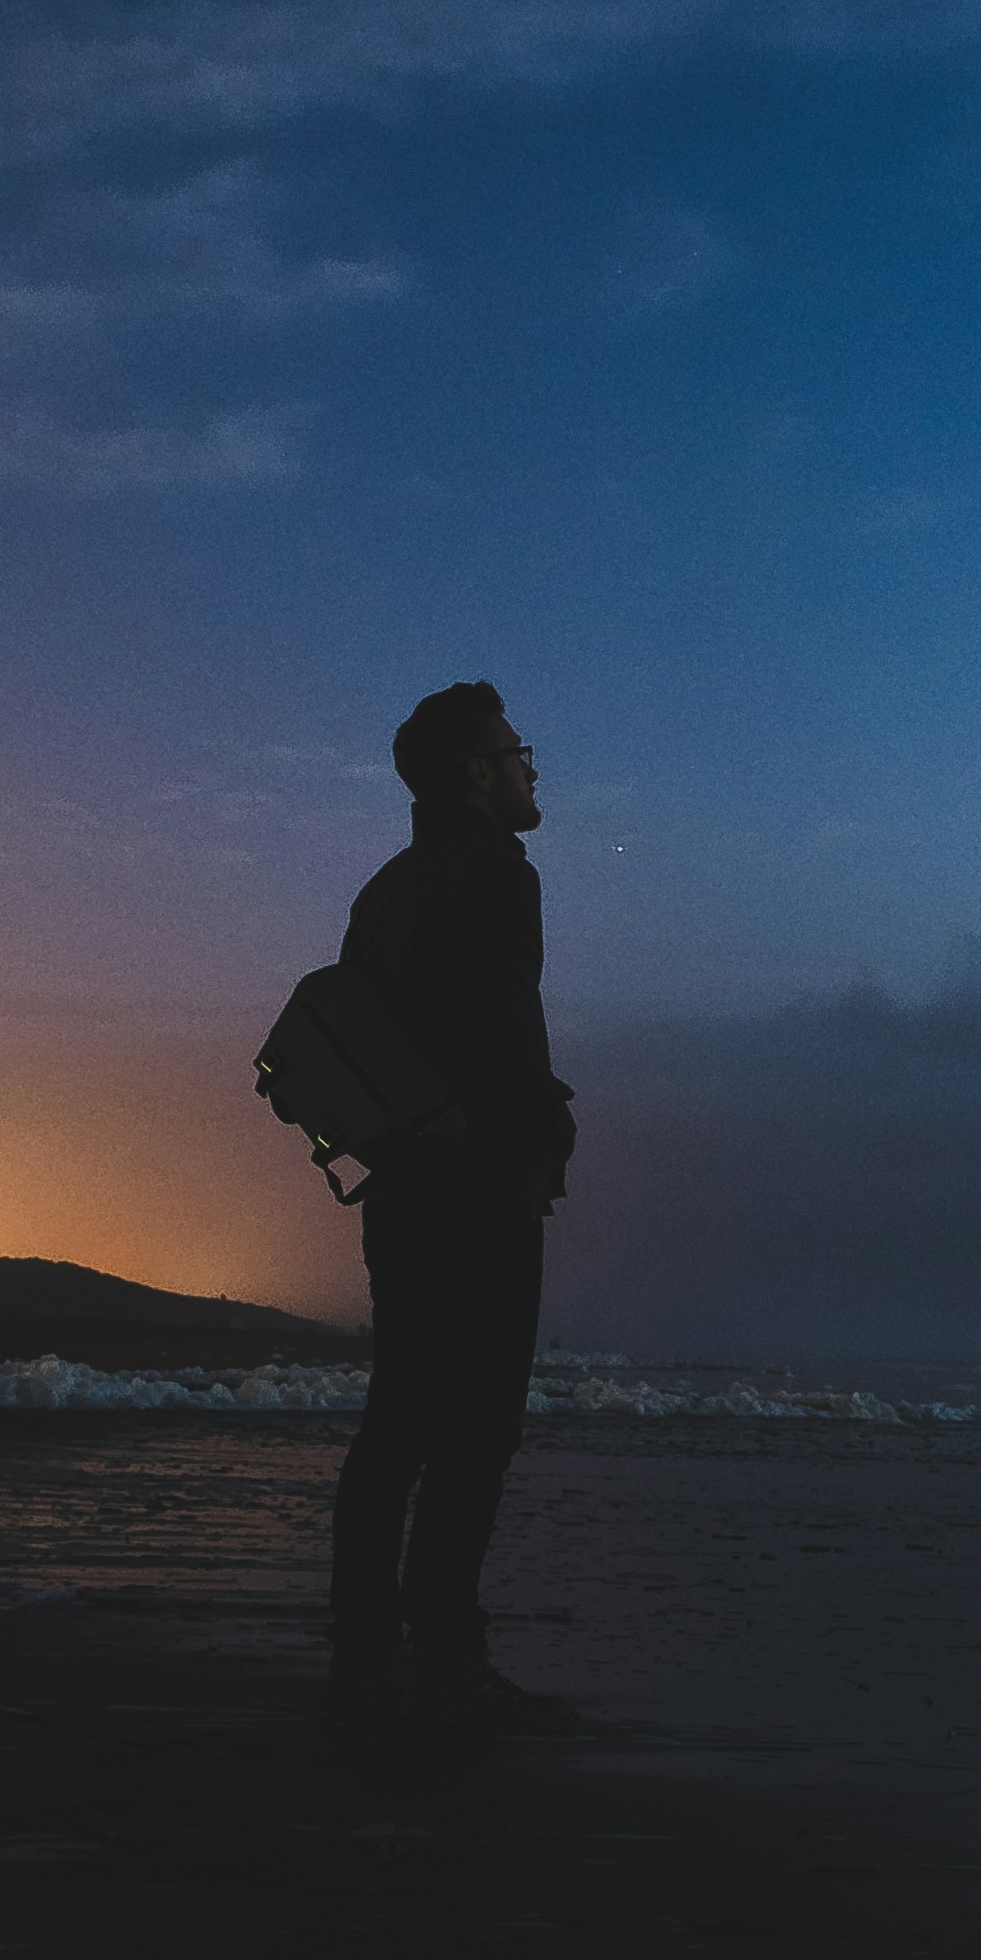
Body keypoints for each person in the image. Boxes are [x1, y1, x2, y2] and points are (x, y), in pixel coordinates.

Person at [326, 681, 580, 1730]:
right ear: (476, 774)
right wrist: (542, 1137)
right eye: (517, 753)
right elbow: (501, 1027)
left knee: (398, 1425)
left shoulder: (383, 892)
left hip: (398, 1186)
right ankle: (447, 1670)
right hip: (475, 1188)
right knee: (475, 1433)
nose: (530, 769)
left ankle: (365, 1660)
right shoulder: (496, 876)